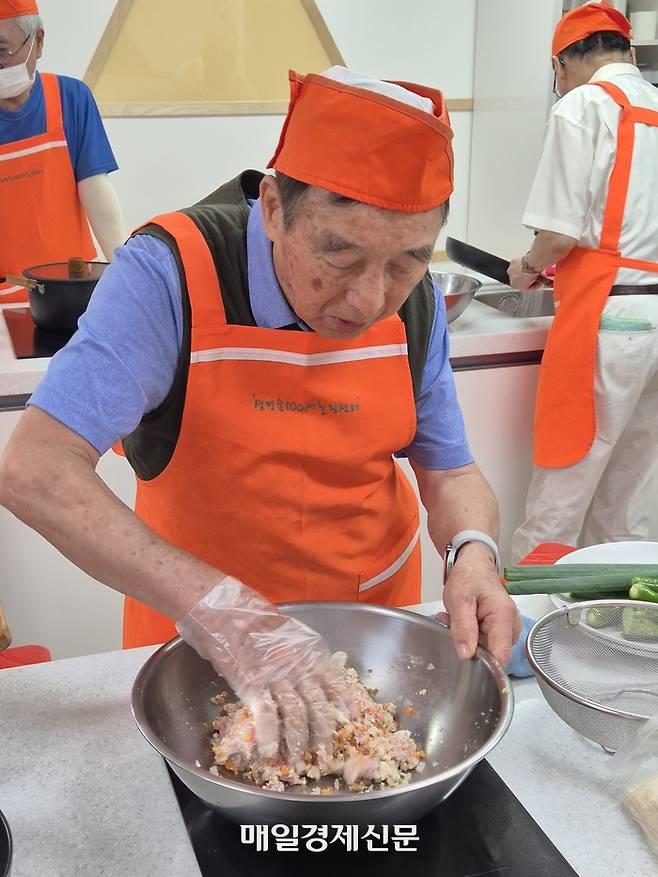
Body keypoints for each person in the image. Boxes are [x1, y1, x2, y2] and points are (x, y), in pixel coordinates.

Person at [0, 66, 520, 763]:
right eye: (340, 252)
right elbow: (34, 468)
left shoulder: (418, 305)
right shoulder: (170, 276)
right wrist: (223, 611)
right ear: (273, 206)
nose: (369, 299)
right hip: (199, 650)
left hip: (370, 653)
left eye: (406, 261)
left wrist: (473, 555)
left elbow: (451, 470)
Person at [508, 1, 658, 559]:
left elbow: (558, 238)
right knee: (633, 495)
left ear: (561, 64)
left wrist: (526, 268)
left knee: (564, 486)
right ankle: (619, 635)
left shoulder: (582, 107)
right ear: (628, 52)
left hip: (610, 320)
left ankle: (523, 632)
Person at [0, 0, 125, 301]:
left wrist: (127, 274)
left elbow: (97, 193)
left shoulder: (70, 100)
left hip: (74, 293)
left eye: (2, 51)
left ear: (38, 41)